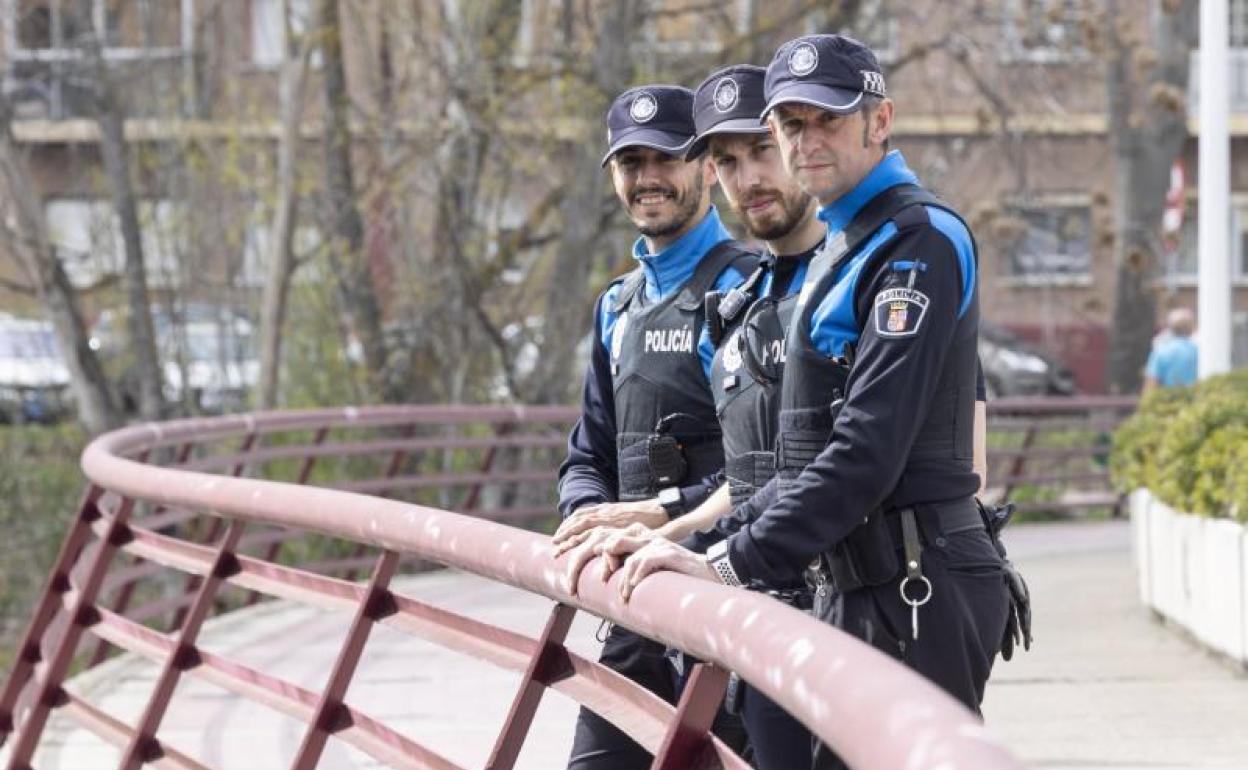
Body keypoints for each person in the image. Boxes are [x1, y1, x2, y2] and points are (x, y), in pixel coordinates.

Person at [595, 35, 1020, 769]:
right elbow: (794, 462)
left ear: (878, 123)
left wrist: (725, 564)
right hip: (845, 581)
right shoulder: (840, 250)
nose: (803, 141)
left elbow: (866, 452)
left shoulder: (918, 240)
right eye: (790, 124)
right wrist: (691, 538)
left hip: (917, 579)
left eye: (825, 119)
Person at [554, 83, 762, 770]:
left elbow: (765, 463)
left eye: (665, 160)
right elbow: (587, 455)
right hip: (634, 605)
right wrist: (592, 522)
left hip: (727, 599)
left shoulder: (749, 289)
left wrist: (664, 516)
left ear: (705, 165)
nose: (647, 180)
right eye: (629, 163)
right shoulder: (617, 306)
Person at [1144, 307, 1198, 391]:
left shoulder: (1161, 351)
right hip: (1196, 400)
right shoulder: (1198, 351)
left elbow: (1151, 382)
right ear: (1191, 328)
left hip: (1167, 401)